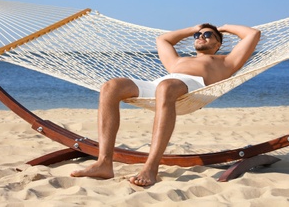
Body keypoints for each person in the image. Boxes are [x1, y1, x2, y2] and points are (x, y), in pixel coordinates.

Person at [70, 23, 261, 186]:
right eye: (198, 35)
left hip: (192, 87)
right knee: (111, 86)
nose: (201, 36)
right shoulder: (177, 60)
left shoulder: (226, 61)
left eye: (208, 35)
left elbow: (252, 34)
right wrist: (193, 28)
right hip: (162, 84)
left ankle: (151, 168)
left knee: (165, 87)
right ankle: (104, 163)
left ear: (218, 44)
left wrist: (223, 28)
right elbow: (163, 40)